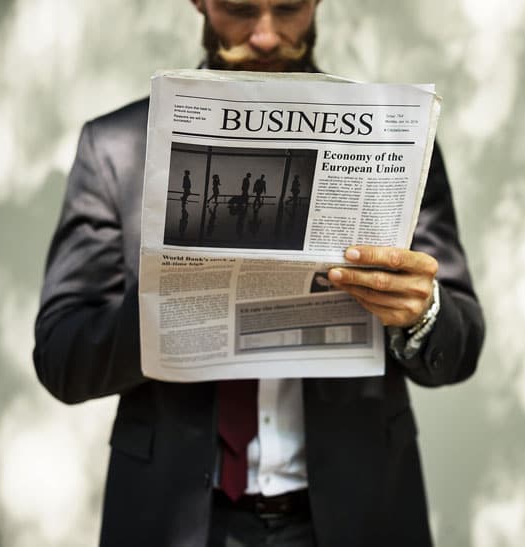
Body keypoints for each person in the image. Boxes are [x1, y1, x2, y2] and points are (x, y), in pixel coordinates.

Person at [32, 1, 484, 546]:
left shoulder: (399, 143)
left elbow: (460, 349)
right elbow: (62, 357)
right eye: (240, 9)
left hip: (355, 516)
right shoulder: (115, 149)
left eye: (289, 8)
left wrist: (421, 311)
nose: (266, 37)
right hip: (179, 521)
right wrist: (166, 304)